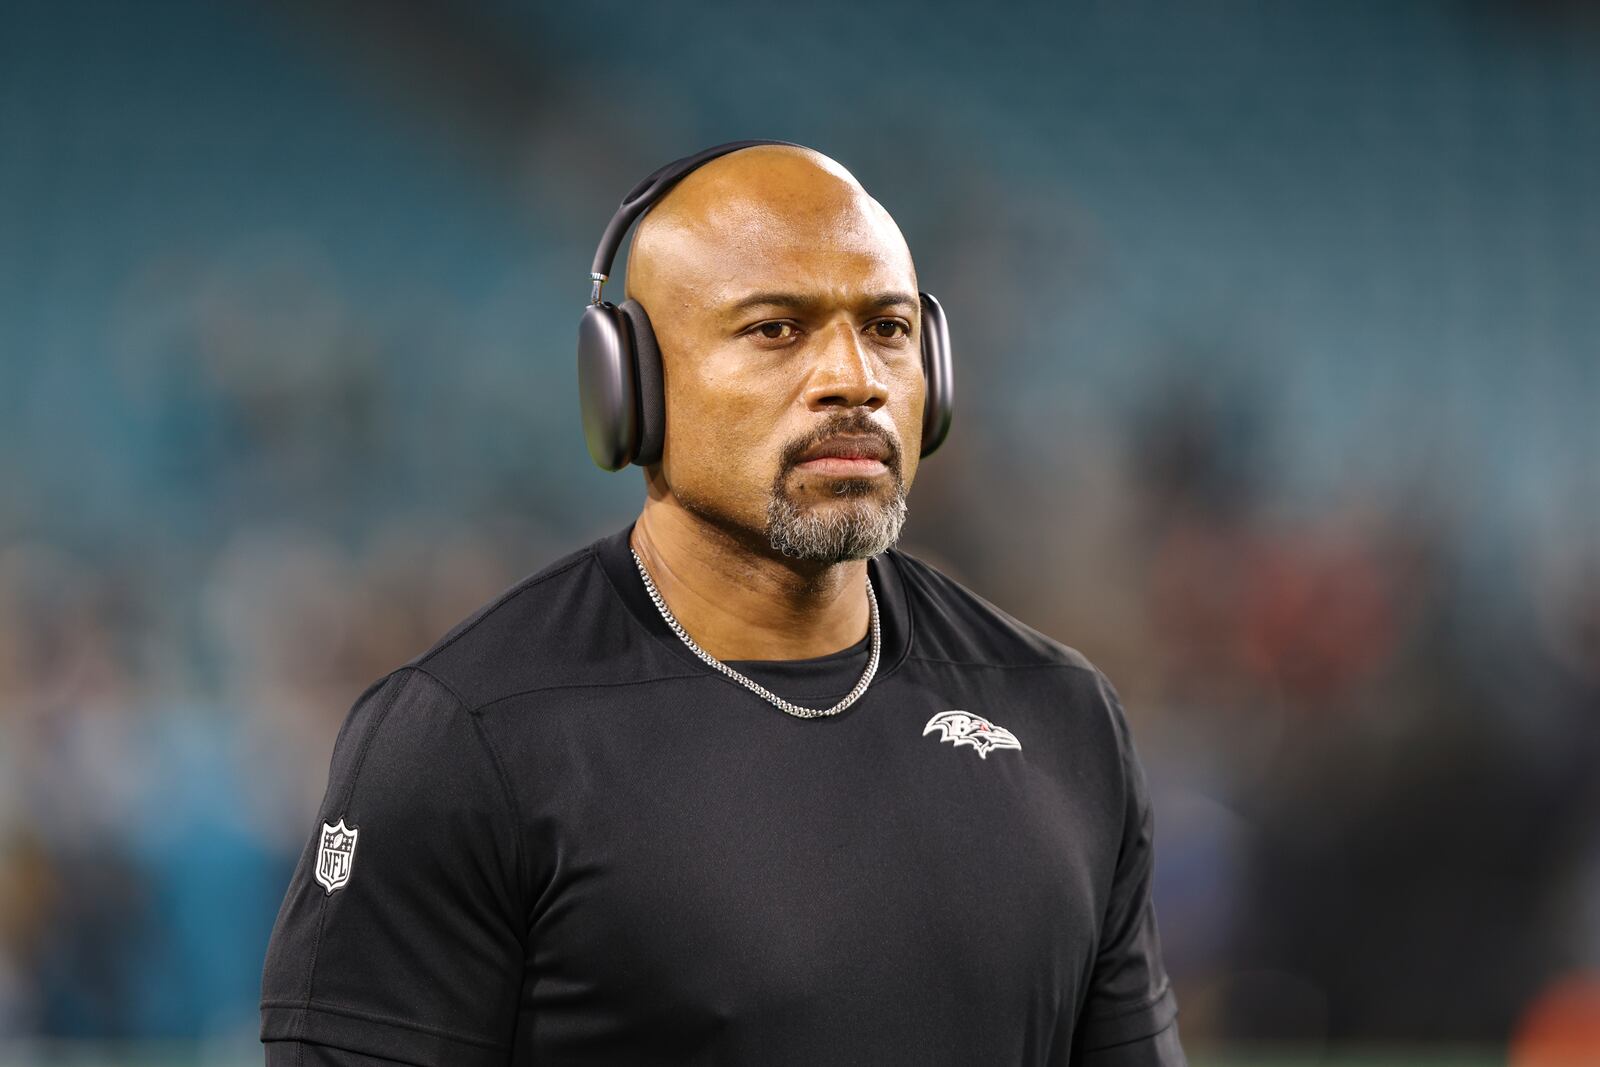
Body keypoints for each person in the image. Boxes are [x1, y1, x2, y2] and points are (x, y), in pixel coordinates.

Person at [259, 141, 1186, 1066]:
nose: (853, 379)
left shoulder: (1063, 716)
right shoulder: (467, 737)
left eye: (889, 329)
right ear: (630, 386)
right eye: (777, 329)